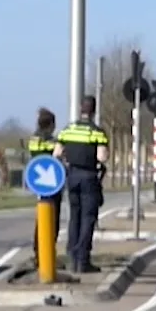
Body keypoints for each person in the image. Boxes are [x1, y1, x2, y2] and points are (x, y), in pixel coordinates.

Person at [53, 95, 110, 274]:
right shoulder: (97, 133)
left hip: (72, 176)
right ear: (94, 111)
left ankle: (71, 256)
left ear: (80, 109)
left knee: (74, 216)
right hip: (89, 177)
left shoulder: (67, 130)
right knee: (88, 217)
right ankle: (83, 259)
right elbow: (102, 157)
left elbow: (56, 153)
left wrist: (68, 160)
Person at [25, 108, 61, 268]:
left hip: (39, 183)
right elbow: (58, 156)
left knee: (41, 218)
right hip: (52, 183)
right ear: (51, 124)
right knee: (52, 220)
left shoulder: (33, 139)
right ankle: (46, 253)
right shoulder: (52, 141)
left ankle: (38, 252)